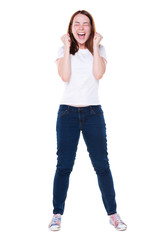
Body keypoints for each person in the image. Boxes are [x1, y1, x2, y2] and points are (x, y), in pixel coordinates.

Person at [48, 10, 127, 231]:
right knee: (64, 166)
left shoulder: (99, 49)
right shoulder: (63, 50)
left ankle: (113, 214)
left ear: (91, 28)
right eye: (76, 24)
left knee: (102, 166)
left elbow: (98, 73)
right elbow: (65, 76)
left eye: (85, 24)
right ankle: (57, 214)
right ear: (71, 28)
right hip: (67, 114)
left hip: (93, 113)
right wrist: (66, 47)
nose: (81, 28)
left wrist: (94, 45)